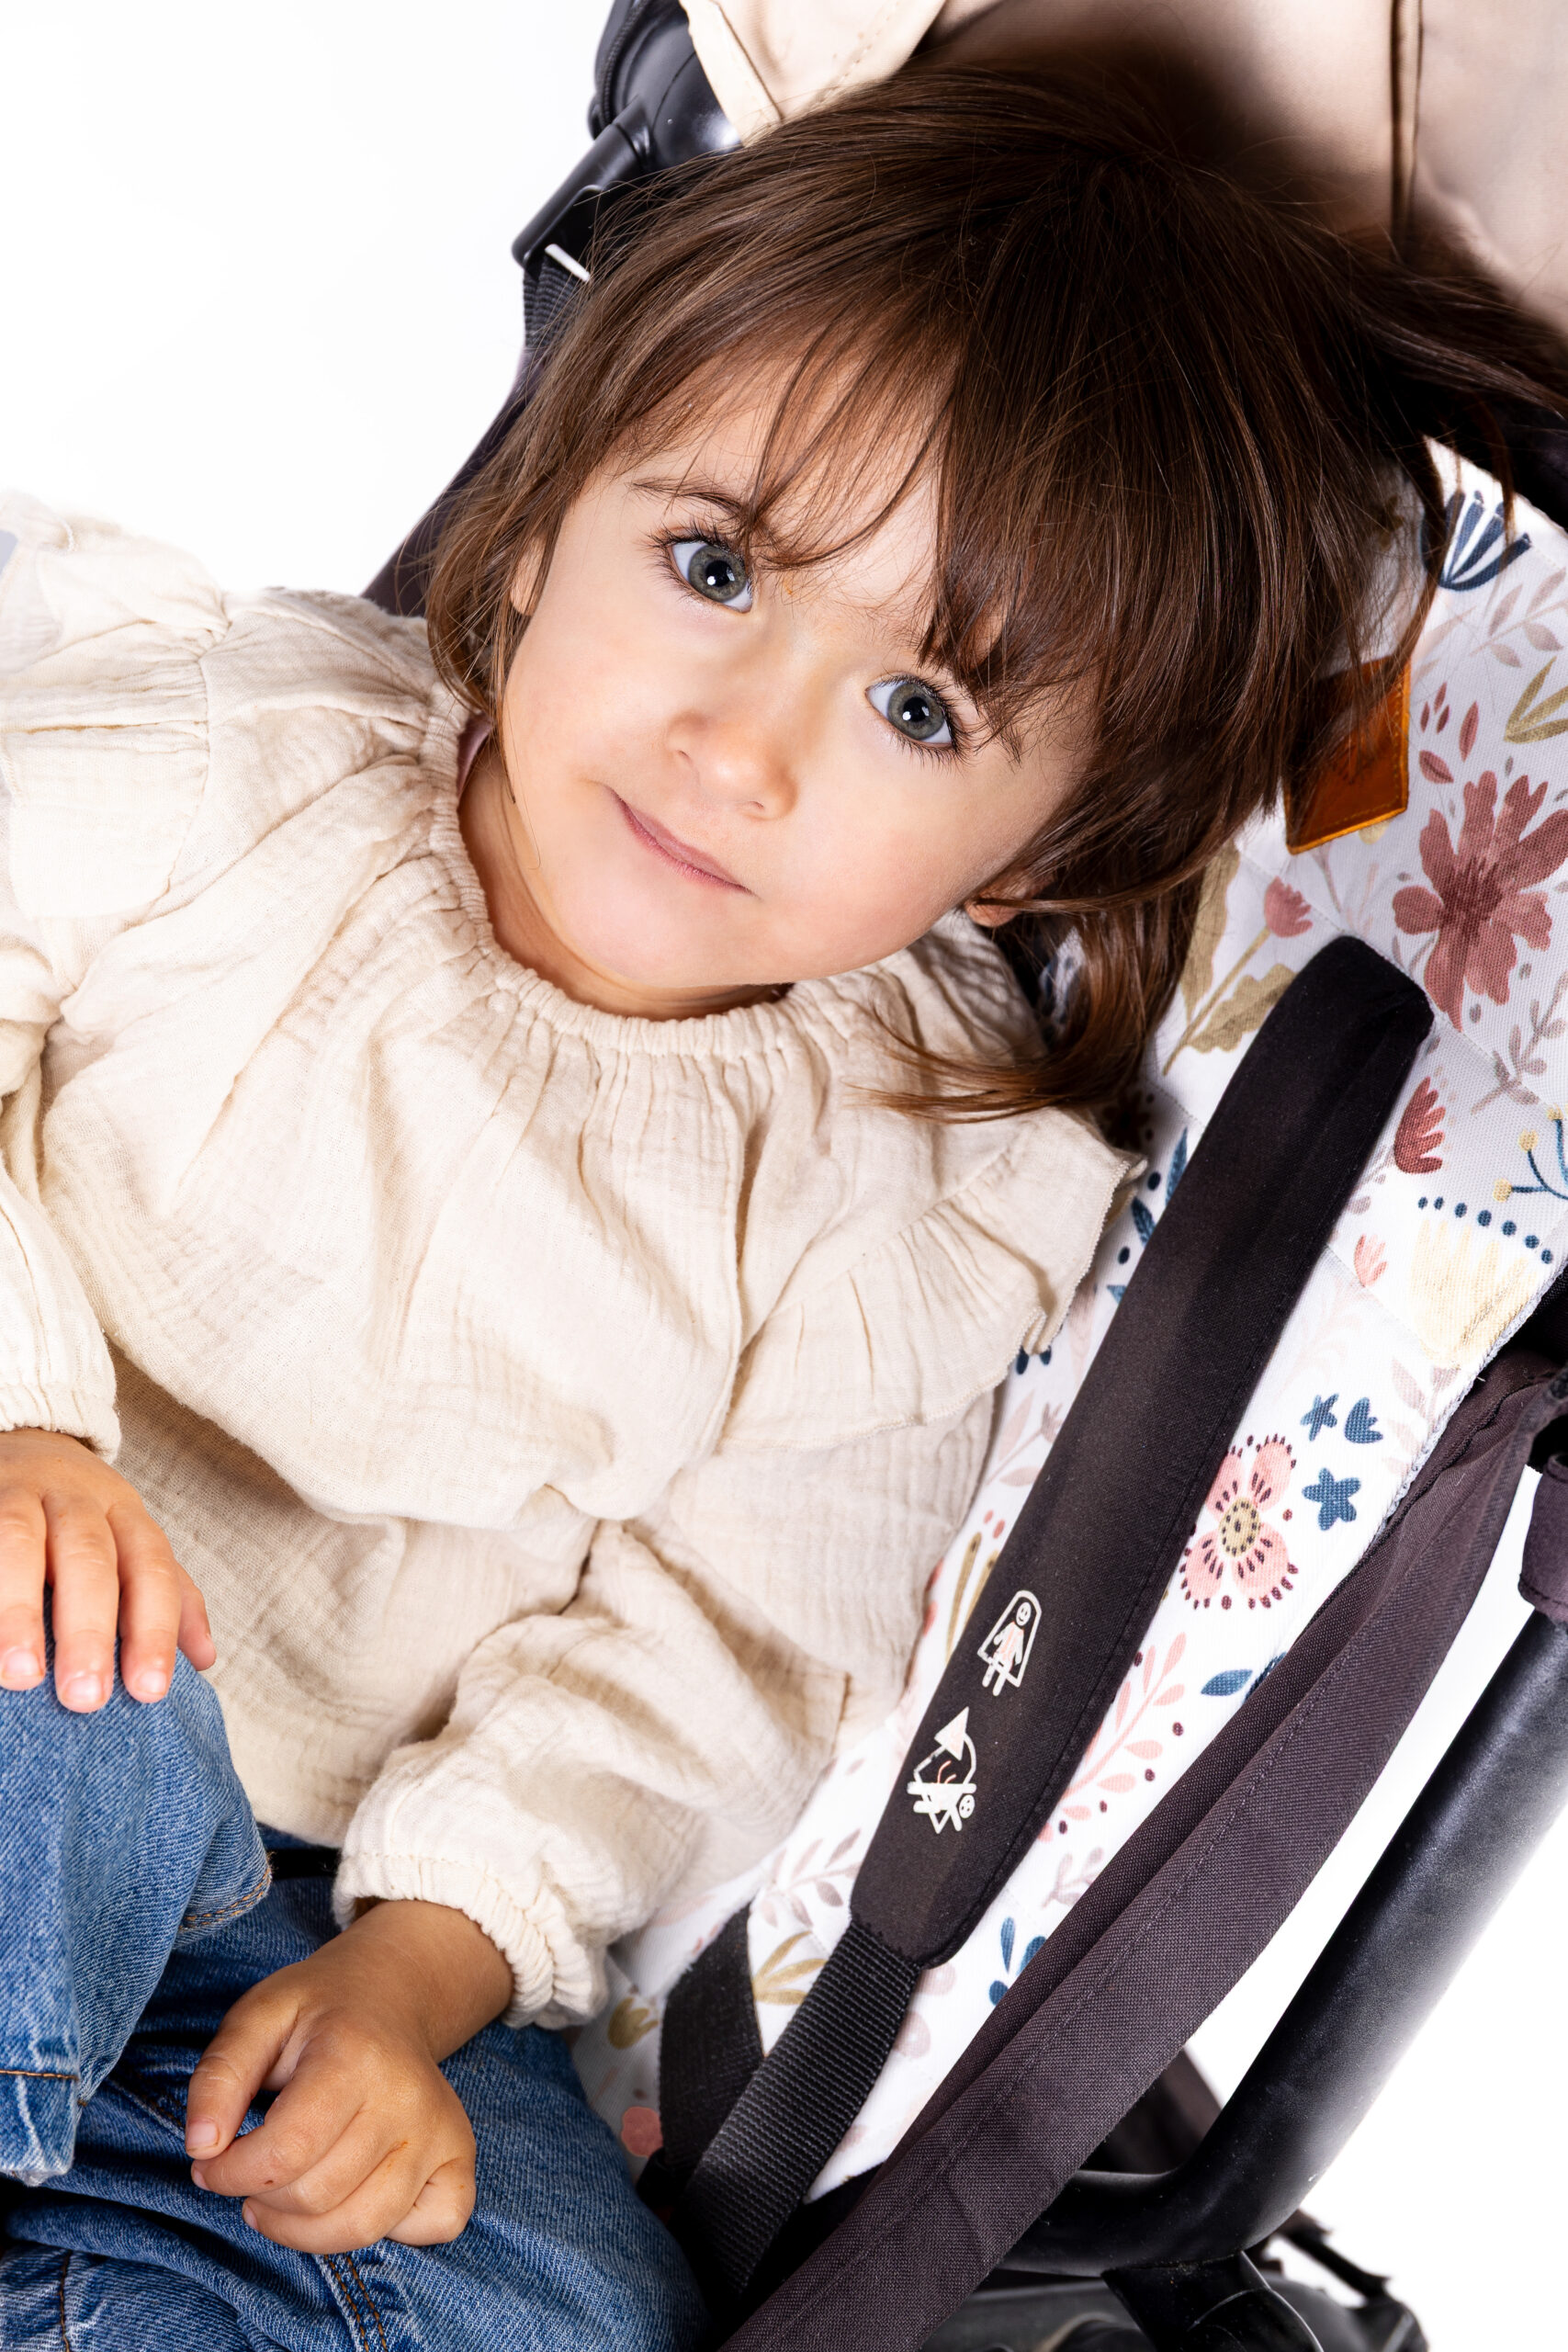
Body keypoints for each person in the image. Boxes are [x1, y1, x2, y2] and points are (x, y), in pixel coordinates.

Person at [1, 52, 1563, 2350]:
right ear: (541, 516)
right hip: (24, 1637)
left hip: (294, 1906)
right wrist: (29, 1419)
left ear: (1038, 856)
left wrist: (421, 1966)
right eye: (713, 568)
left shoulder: (900, 1200)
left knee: (554, 2295)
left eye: (917, 711)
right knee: (54, 1726)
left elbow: (705, 1656)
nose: (738, 745)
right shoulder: (229, 761)